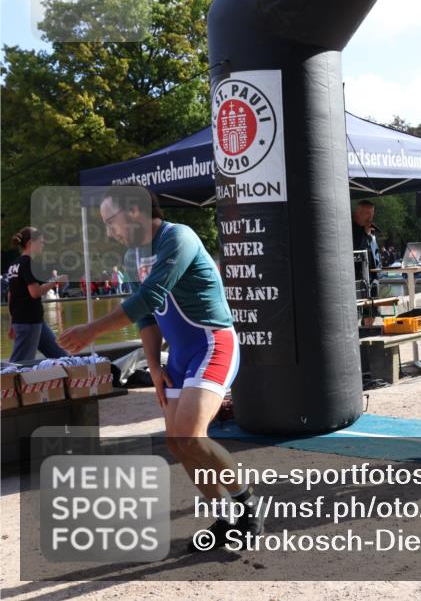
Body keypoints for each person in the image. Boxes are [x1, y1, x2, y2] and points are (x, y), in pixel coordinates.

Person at [58, 188, 261, 549]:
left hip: (212, 344)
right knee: (176, 442)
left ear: (134, 211)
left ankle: (246, 508)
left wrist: (91, 330)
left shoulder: (179, 237)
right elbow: (148, 317)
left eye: (110, 221)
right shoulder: (135, 255)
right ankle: (223, 516)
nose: (109, 231)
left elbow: (151, 295)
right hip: (179, 357)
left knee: (190, 435)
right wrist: (153, 367)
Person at [5, 228, 69, 362]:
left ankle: (76, 378)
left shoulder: (14, 264)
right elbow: (35, 293)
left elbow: (11, 295)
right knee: (19, 366)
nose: (43, 245)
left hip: (30, 321)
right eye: (40, 242)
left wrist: (12, 322)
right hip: (29, 322)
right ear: (29, 243)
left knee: (61, 357)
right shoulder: (28, 263)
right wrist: (55, 282)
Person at [352, 200, 381, 325]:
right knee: (361, 314)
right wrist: (364, 233)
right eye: (367, 213)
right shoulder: (350, 228)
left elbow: (374, 251)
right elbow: (356, 250)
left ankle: (369, 332)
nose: (371, 217)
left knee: (372, 313)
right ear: (358, 213)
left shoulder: (369, 229)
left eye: (372, 213)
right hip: (358, 278)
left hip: (373, 277)